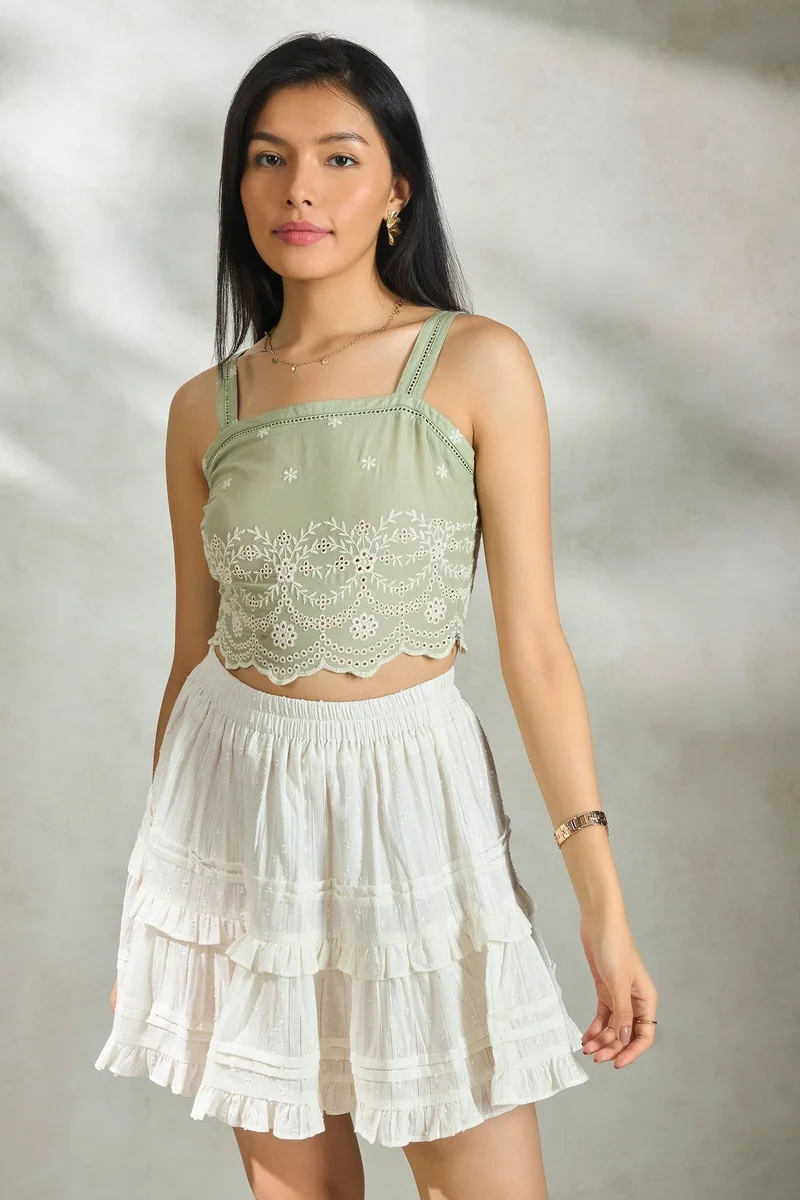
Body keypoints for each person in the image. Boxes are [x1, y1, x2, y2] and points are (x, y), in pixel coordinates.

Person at [94, 30, 658, 1200]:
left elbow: (533, 648)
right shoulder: (205, 407)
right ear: (238, 185)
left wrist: (601, 908)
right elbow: (191, 656)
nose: (298, 188)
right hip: (238, 816)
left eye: (338, 158)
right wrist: (159, 906)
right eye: (267, 158)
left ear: (398, 188)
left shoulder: (476, 364)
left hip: (412, 807)